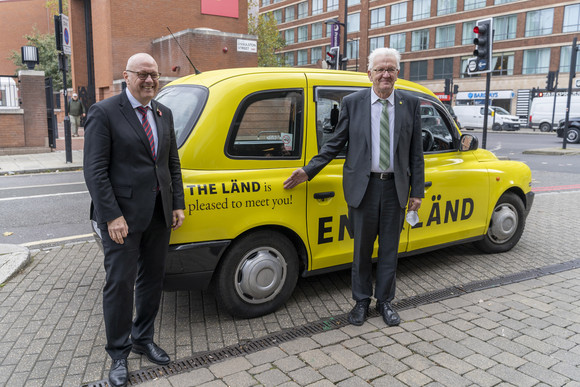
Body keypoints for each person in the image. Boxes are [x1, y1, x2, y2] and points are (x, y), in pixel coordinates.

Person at [284, 47, 424, 327]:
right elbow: (334, 143)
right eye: (380, 69)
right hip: (364, 189)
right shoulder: (353, 102)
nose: (386, 74)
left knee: (389, 250)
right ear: (369, 73)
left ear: (398, 73)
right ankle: (361, 301)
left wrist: (417, 192)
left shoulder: (410, 103)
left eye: (391, 69)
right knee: (361, 249)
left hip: (395, 189)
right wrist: (308, 170)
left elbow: (415, 153)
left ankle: (385, 301)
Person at [83, 53, 185, 387]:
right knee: (120, 285)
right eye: (142, 74)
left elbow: (171, 164)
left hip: (158, 213)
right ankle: (118, 354)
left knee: (153, 279)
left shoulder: (163, 112)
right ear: (125, 76)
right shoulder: (105, 112)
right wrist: (111, 216)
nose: (150, 80)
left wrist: (177, 204)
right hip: (121, 219)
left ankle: (143, 338)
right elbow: (95, 171)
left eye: (154, 75)